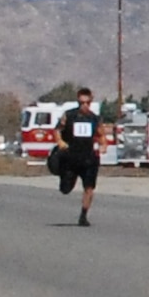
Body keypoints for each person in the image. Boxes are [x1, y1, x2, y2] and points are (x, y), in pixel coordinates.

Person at [55, 88, 106, 226]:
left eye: (87, 102)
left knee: (89, 187)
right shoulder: (69, 116)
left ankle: (83, 215)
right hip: (71, 157)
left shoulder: (95, 118)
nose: (84, 105)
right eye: (81, 102)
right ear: (78, 101)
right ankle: (64, 179)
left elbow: (101, 134)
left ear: (91, 102)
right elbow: (58, 130)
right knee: (65, 189)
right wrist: (60, 142)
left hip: (89, 158)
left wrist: (103, 145)